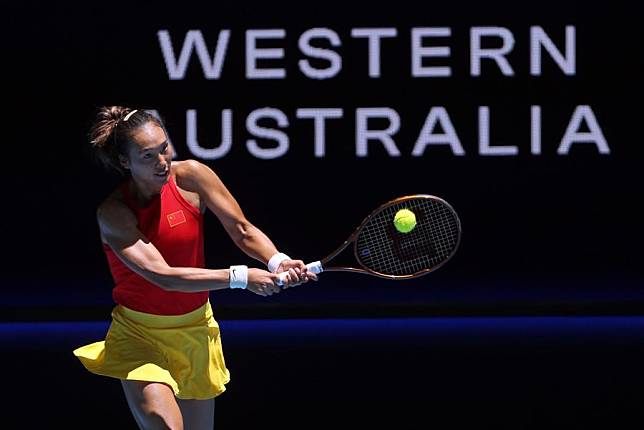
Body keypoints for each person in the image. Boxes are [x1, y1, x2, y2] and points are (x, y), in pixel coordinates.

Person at [73, 106, 317, 430]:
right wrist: (241, 277)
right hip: (140, 335)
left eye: (164, 148)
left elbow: (242, 229)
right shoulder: (115, 214)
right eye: (148, 156)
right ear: (124, 162)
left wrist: (277, 260)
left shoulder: (192, 177)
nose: (162, 162)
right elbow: (164, 277)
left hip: (195, 331)